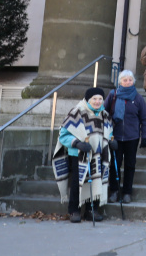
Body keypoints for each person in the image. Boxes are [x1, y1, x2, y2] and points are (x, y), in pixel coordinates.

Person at [53, 87, 114, 223]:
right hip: (78, 154)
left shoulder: (104, 114)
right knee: (77, 182)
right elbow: (63, 135)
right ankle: (74, 210)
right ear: (88, 99)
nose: (97, 102)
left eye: (100, 99)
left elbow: (109, 132)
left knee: (96, 180)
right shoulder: (77, 112)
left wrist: (111, 140)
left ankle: (91, 210)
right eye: (94, 99)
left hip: (98, 154)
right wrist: (77, 143)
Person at [105, 70, 146, 205]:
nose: (128, 82)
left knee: (130, 165)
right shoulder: (113, 95)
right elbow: (104, 114)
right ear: (120, 82)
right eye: (125, 80)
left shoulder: (138, 98)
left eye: (130, 80)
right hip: (116, 137)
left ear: (133, 82)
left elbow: (145, 119)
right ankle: (114, 191)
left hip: (132, 137)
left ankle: (127, 192)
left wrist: (145, 136)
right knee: (115, 165)